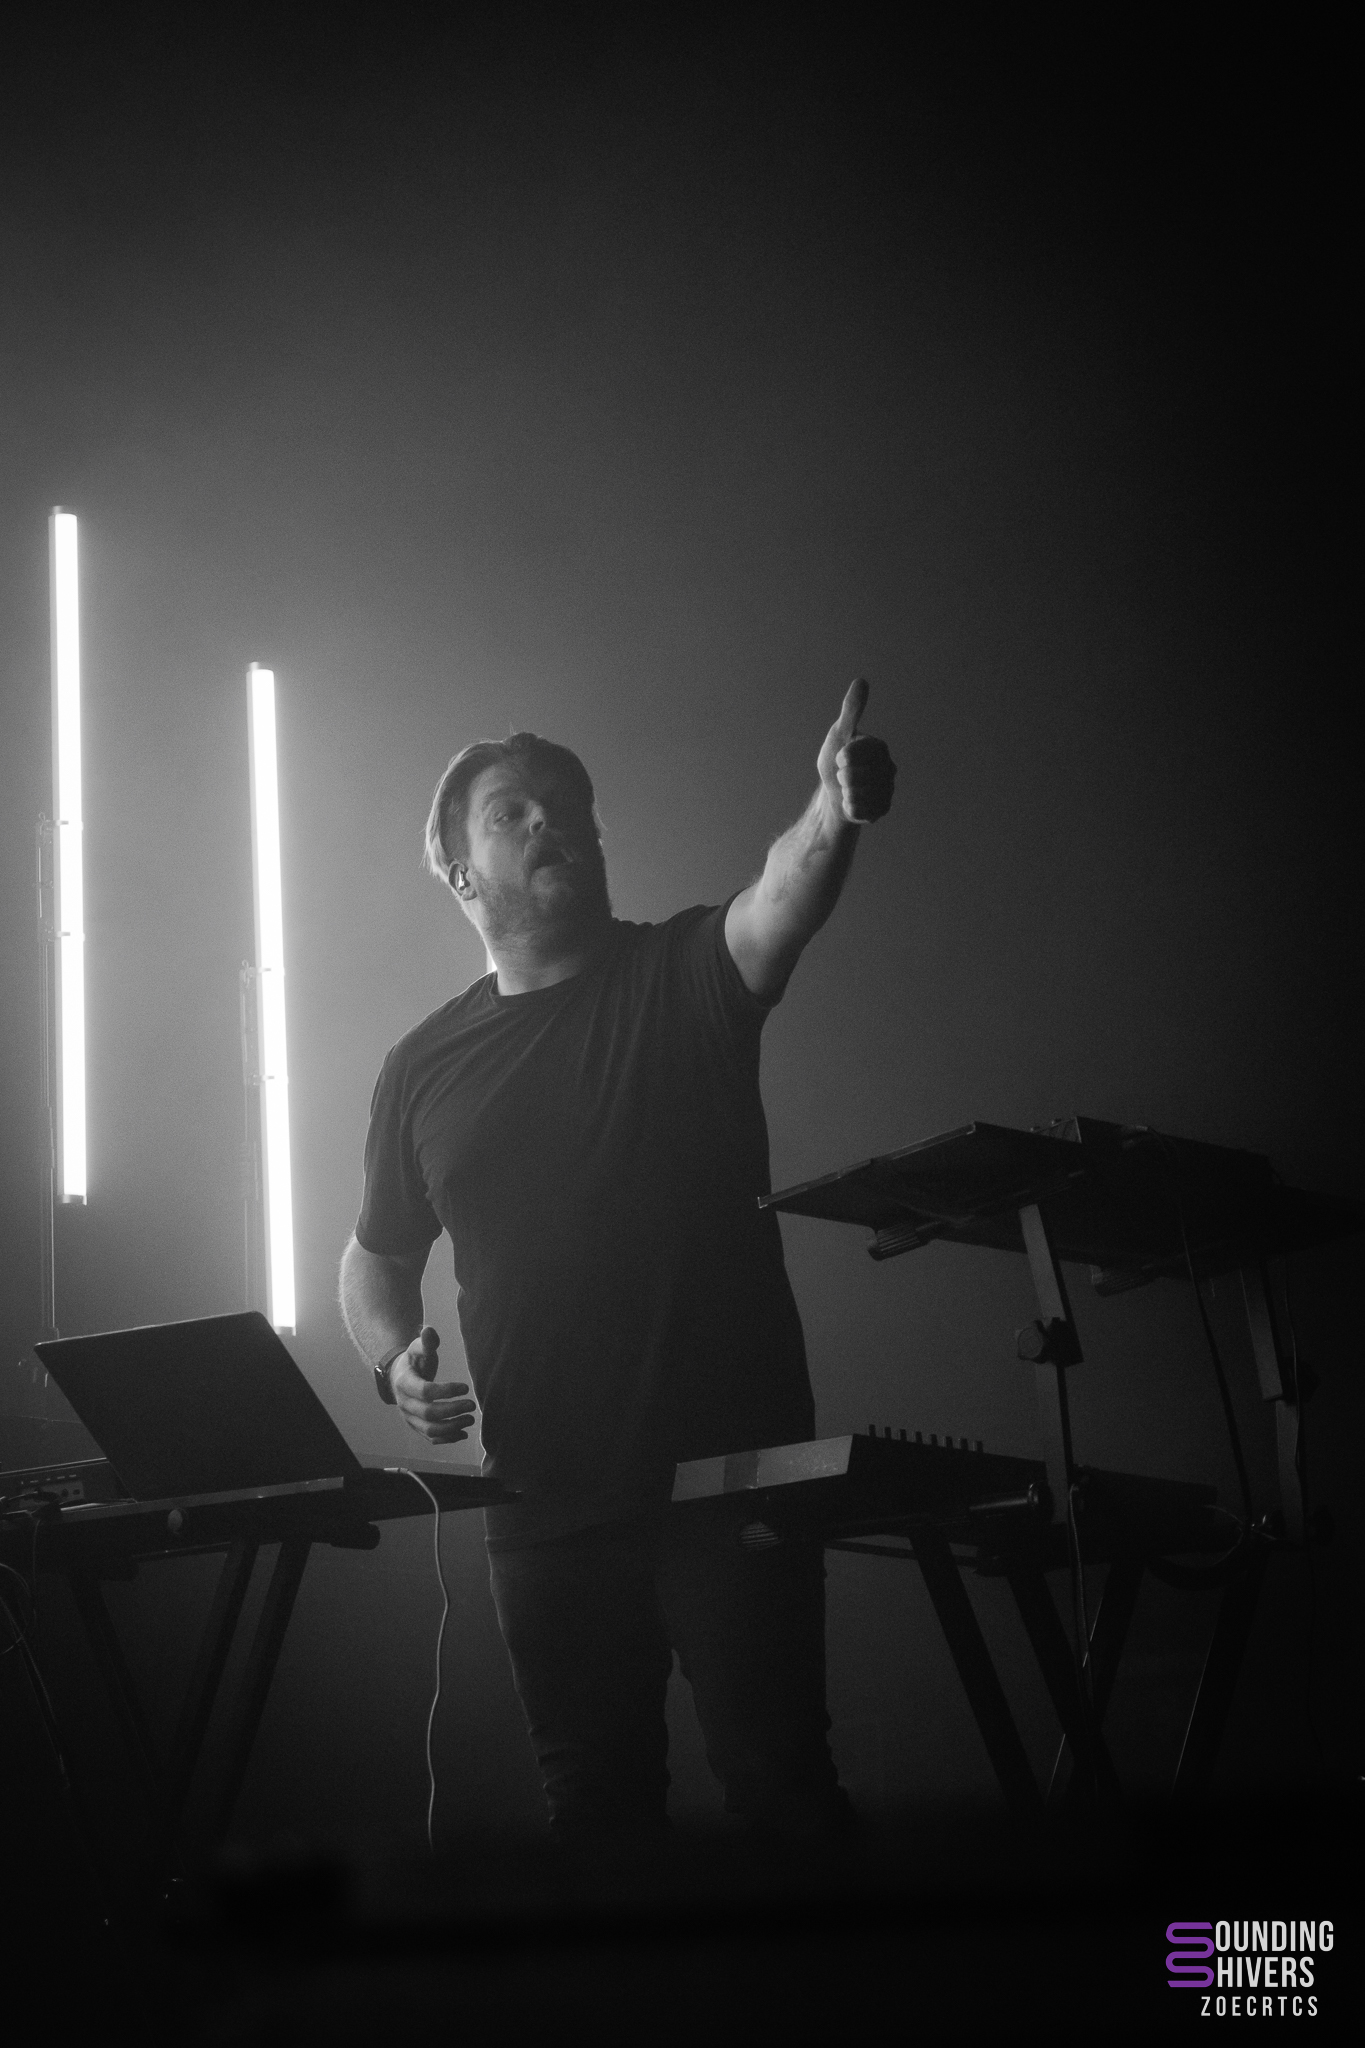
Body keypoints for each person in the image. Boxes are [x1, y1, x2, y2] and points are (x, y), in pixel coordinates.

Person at [339, 679, 896, 1842]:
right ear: (459, 872)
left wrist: (831, 812)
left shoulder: (678, 971)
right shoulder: (421, 1066)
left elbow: (776, 904)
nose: (552, 820)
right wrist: (393, 1362)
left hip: (733, 1474)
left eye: (567, 804)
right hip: (543, 1497)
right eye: (513, 810)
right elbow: (375, 1255)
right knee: (595, 1817)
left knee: (783, 1790)